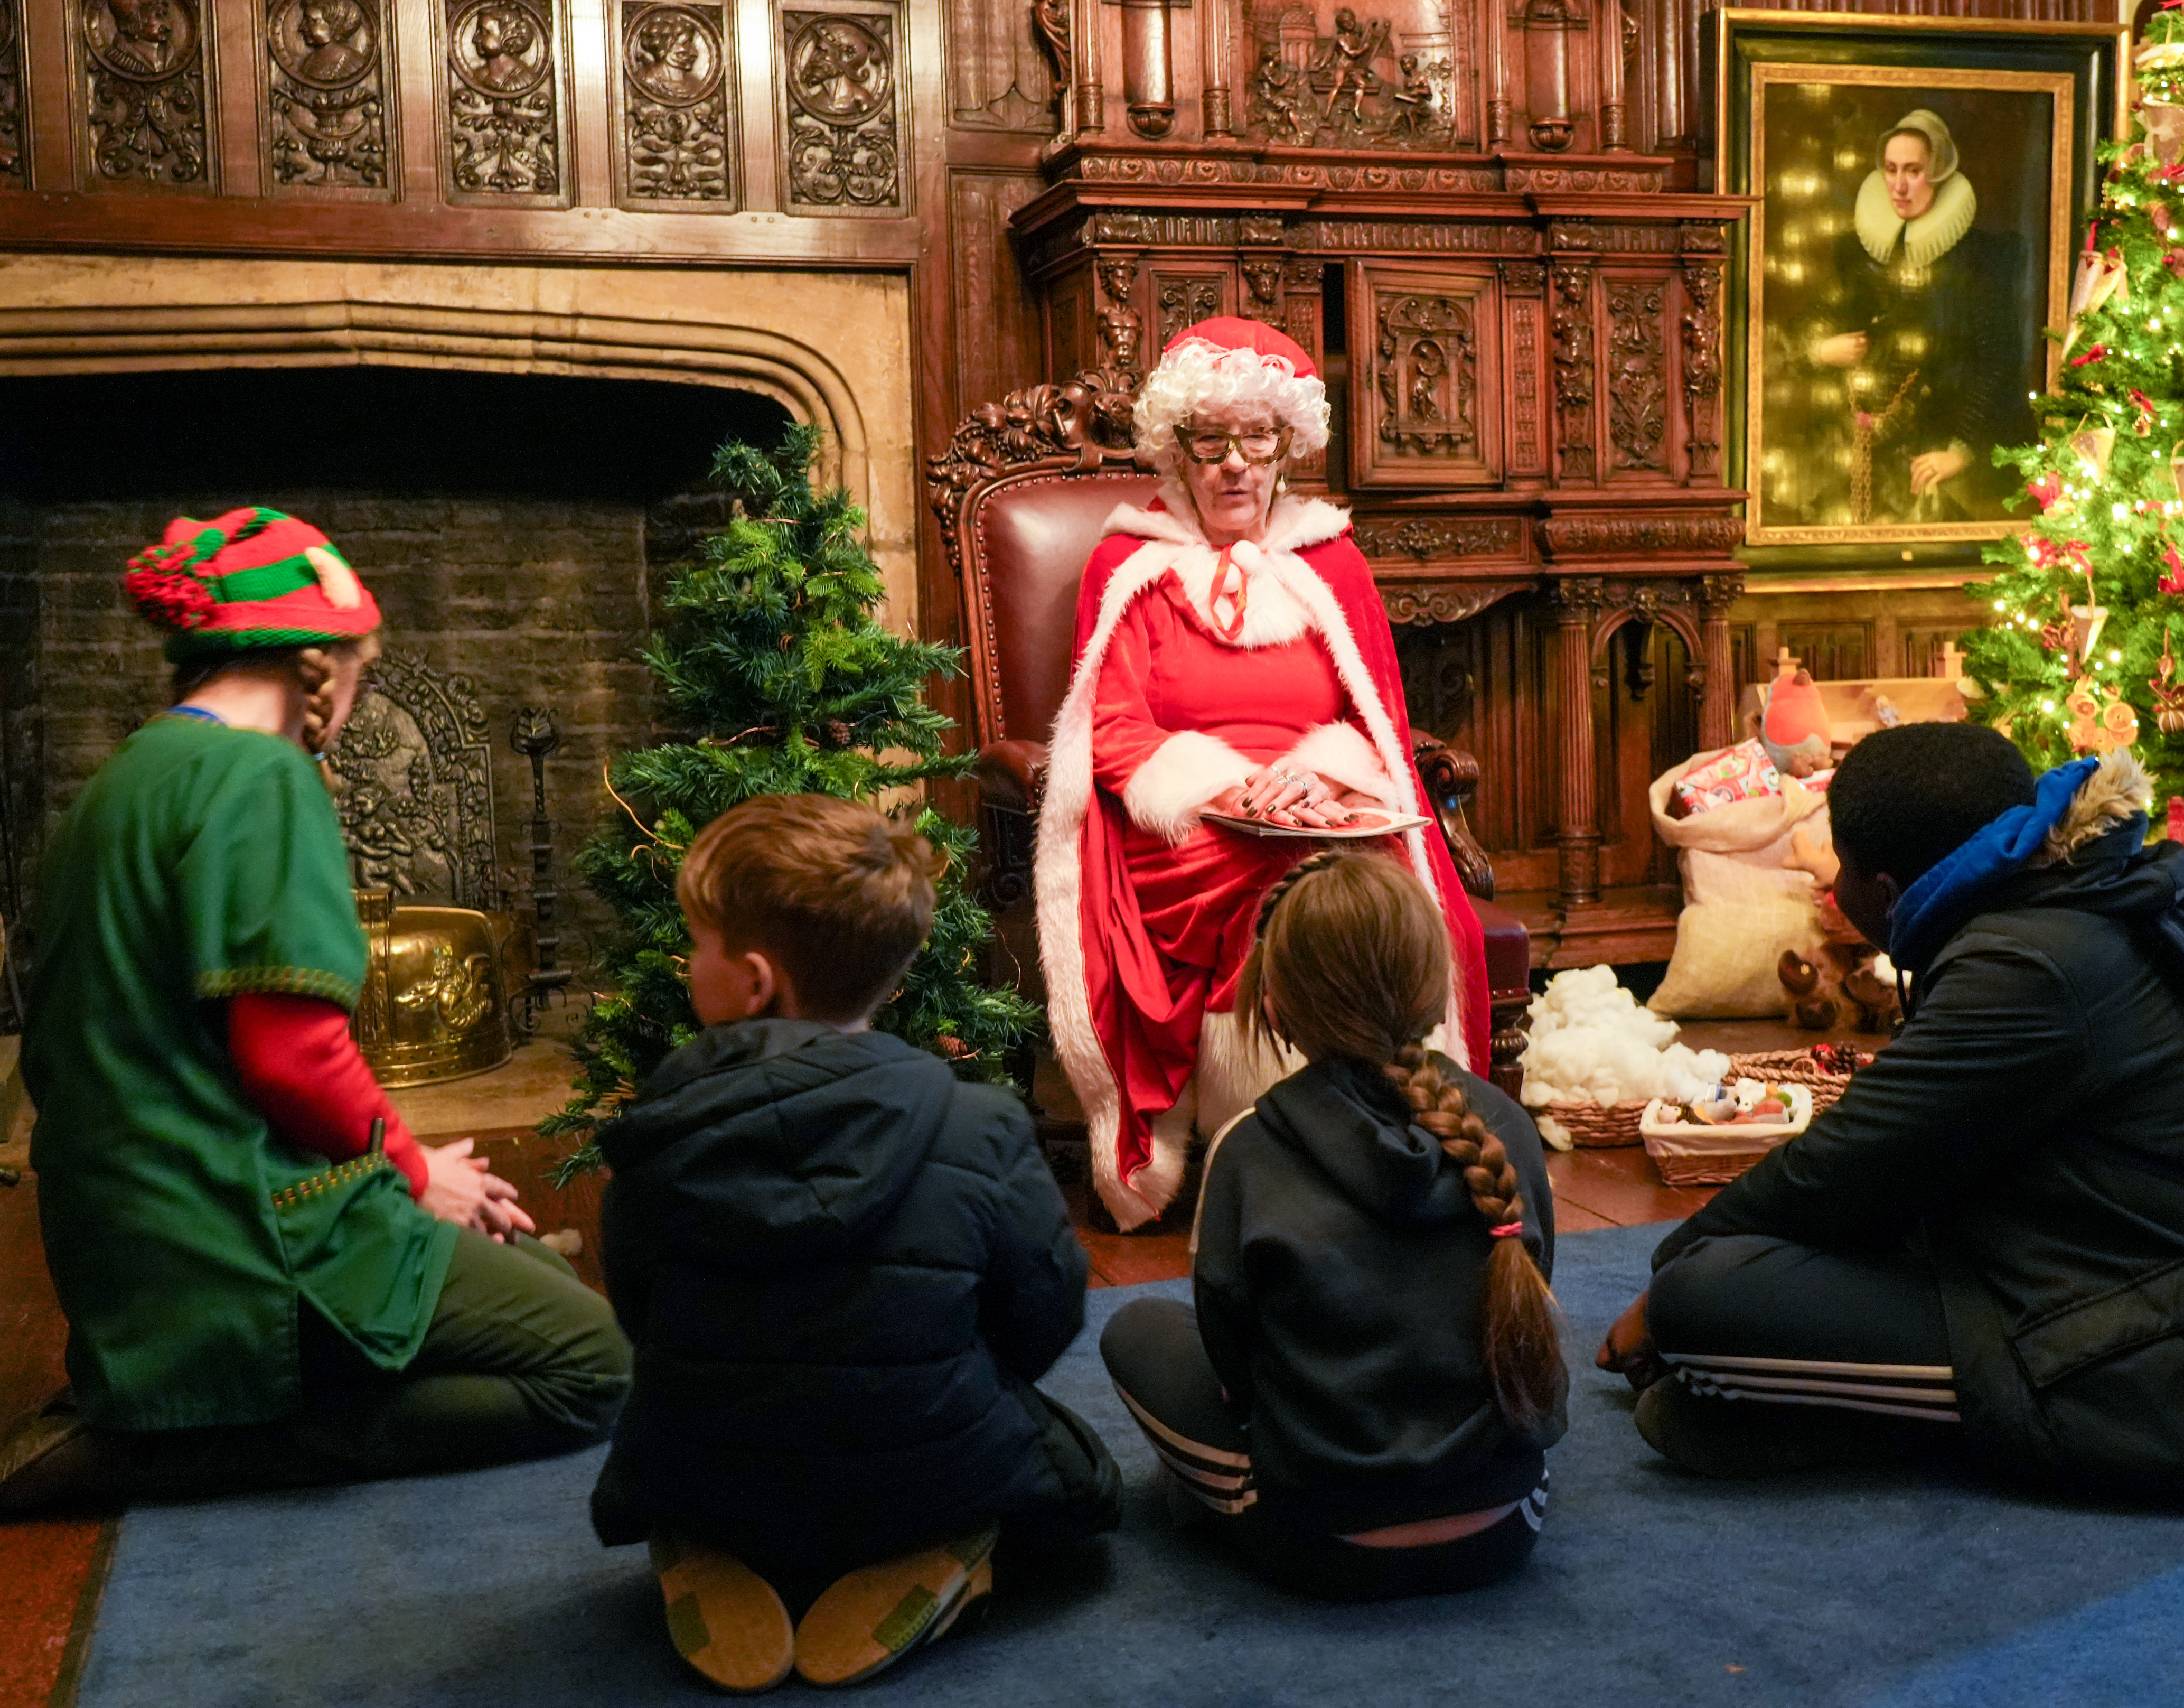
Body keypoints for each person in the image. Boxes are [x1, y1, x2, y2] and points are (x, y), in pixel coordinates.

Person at [1597, 723, 2184, 1510]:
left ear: (1884, 890)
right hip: (2178, 1279)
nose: (1832, 887)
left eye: (1842, 866)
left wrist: (1662, 1281)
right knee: (1750, 1299)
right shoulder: (2072, 899)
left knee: (1701, 1299)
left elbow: (1840, 1165)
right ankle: (1836, 1407)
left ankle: (1902, 1425)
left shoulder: (2026, 964)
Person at [0, 508, 629, 1514]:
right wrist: (416, 1171)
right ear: (317, 665)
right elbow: (290, 1055)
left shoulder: (131, 774)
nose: (359, 688)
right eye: (363, 666)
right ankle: (176, 1448)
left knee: (535, 1285)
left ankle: (401, 1308)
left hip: (132, 1231)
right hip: (236, 1229)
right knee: (594, 1365)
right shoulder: (263, 777)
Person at [589, 794, 1120, 1693]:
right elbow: (1043, 1316)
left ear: (756, 982)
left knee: (676, 1434)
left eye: (697, 941)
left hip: (708, 1463)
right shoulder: (980, 1120)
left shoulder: (657, 1127)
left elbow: (642, 1316)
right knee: (1081, 1466)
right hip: (926, 1469)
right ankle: (936, 1547)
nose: (688, 962)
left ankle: (714, 1539)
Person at [1037, 315, 1489, 1230]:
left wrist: (1327, 780)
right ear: (1179, 449)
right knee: (1283, 878)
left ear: (1287, 447)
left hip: (1323, 812)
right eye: (1213, 442)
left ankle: (1361, 1129)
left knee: (1346, 878)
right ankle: (1275, 1148)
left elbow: (1376, 722)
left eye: (1257, 440)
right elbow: (1111, 728)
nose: (1235, 464)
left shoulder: (1335, 560)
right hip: (1183, 829)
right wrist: (1226, 792)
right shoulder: (1129, 564)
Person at [1100, 850, 1563, 1600]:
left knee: (1134, 1331)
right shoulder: (1505, 1123)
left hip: (1317, 1541)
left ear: (1274, 1001)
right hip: (1508, 1525)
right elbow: (1528, 1303)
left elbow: (1232, 1366)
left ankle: (1210, 1503)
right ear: (1434, 985)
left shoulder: (1246, 1147)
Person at [1797, 107, 2033, 528]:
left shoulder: (1981, 259)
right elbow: (1816, 319)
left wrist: (1960, 452)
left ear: (1939, 173)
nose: (1899, 186)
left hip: (1944, 445)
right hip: (1867, 445)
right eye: (1890, 170)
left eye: (1913, 171)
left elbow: (1999, 361)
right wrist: (1819, 348)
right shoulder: (1859, 255)